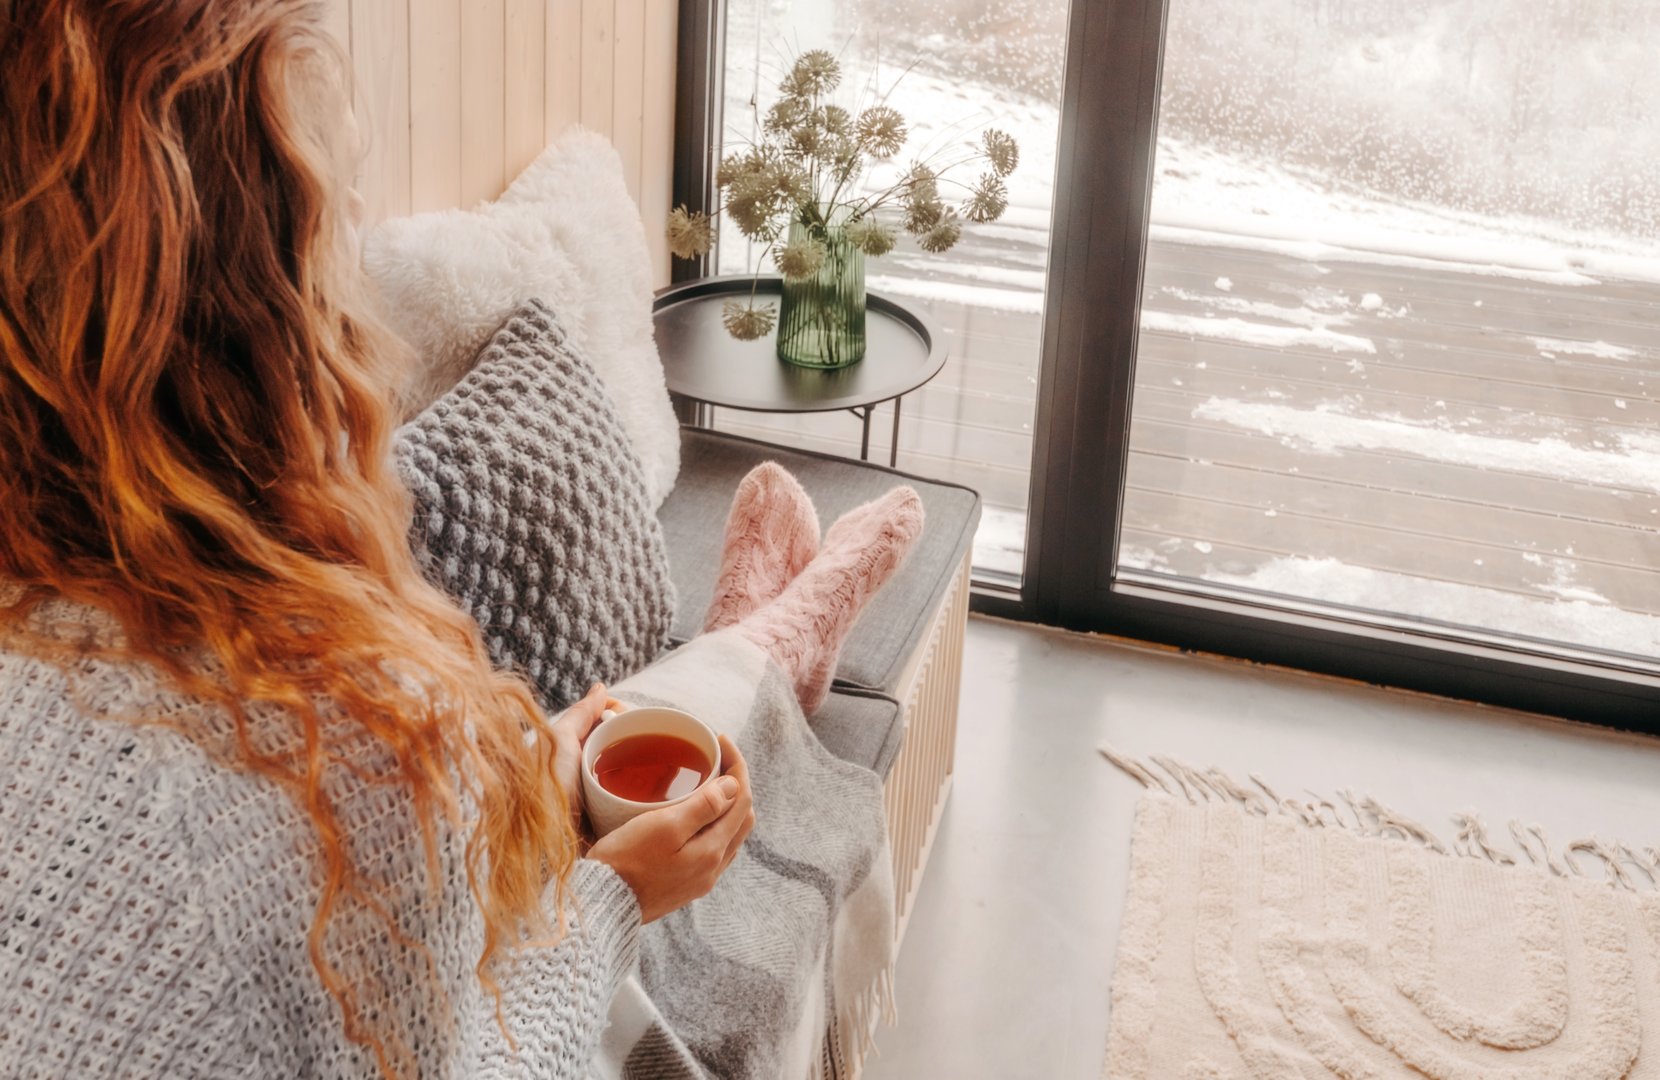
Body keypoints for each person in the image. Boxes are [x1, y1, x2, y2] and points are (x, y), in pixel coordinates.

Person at [0, 2, 755, 1076]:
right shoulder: (359, 747)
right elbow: (462, 1055)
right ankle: (766, 629)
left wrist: (516, 768)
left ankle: (762, 622)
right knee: (732, 702)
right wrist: (616, 899)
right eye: (331, 191)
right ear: (252, 292)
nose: (361, 218)